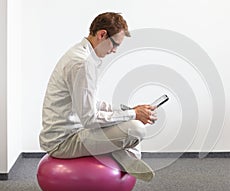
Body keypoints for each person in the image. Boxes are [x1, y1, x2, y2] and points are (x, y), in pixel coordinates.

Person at [39, 12, 157, 182]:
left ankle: (121, 155)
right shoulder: (81, 63)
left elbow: (91, 104)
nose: (114, 50)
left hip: (78, 131)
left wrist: (131, 110)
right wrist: (133, 115)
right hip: (63, 141)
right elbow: (89, 119)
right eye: (115, 44)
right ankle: (121, 156)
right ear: (102, 34)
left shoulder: (82, 56)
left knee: (130, 124)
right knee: (135, 129)